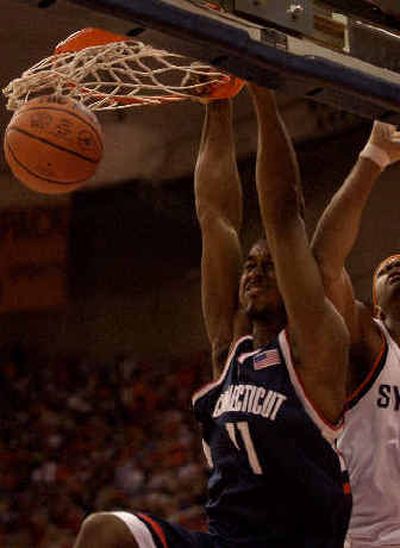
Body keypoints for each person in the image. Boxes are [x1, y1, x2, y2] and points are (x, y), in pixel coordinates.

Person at [73, 84, 351, 547]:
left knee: (279, 226)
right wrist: (216, 99)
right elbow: (216, 217)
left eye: (270, 266)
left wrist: (261, 86)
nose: (256, 273)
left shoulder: (317, 348)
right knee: (102, 531)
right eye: (250, 265)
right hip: (225, 542)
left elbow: (284, 216)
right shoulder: (230, 354)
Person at [311, 121, 400, 547]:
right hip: (366, 538)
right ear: (377, 308)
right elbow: (325, 264)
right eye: (385, 270)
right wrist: (375, 157)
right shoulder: (370, 342)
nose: (396, 266)